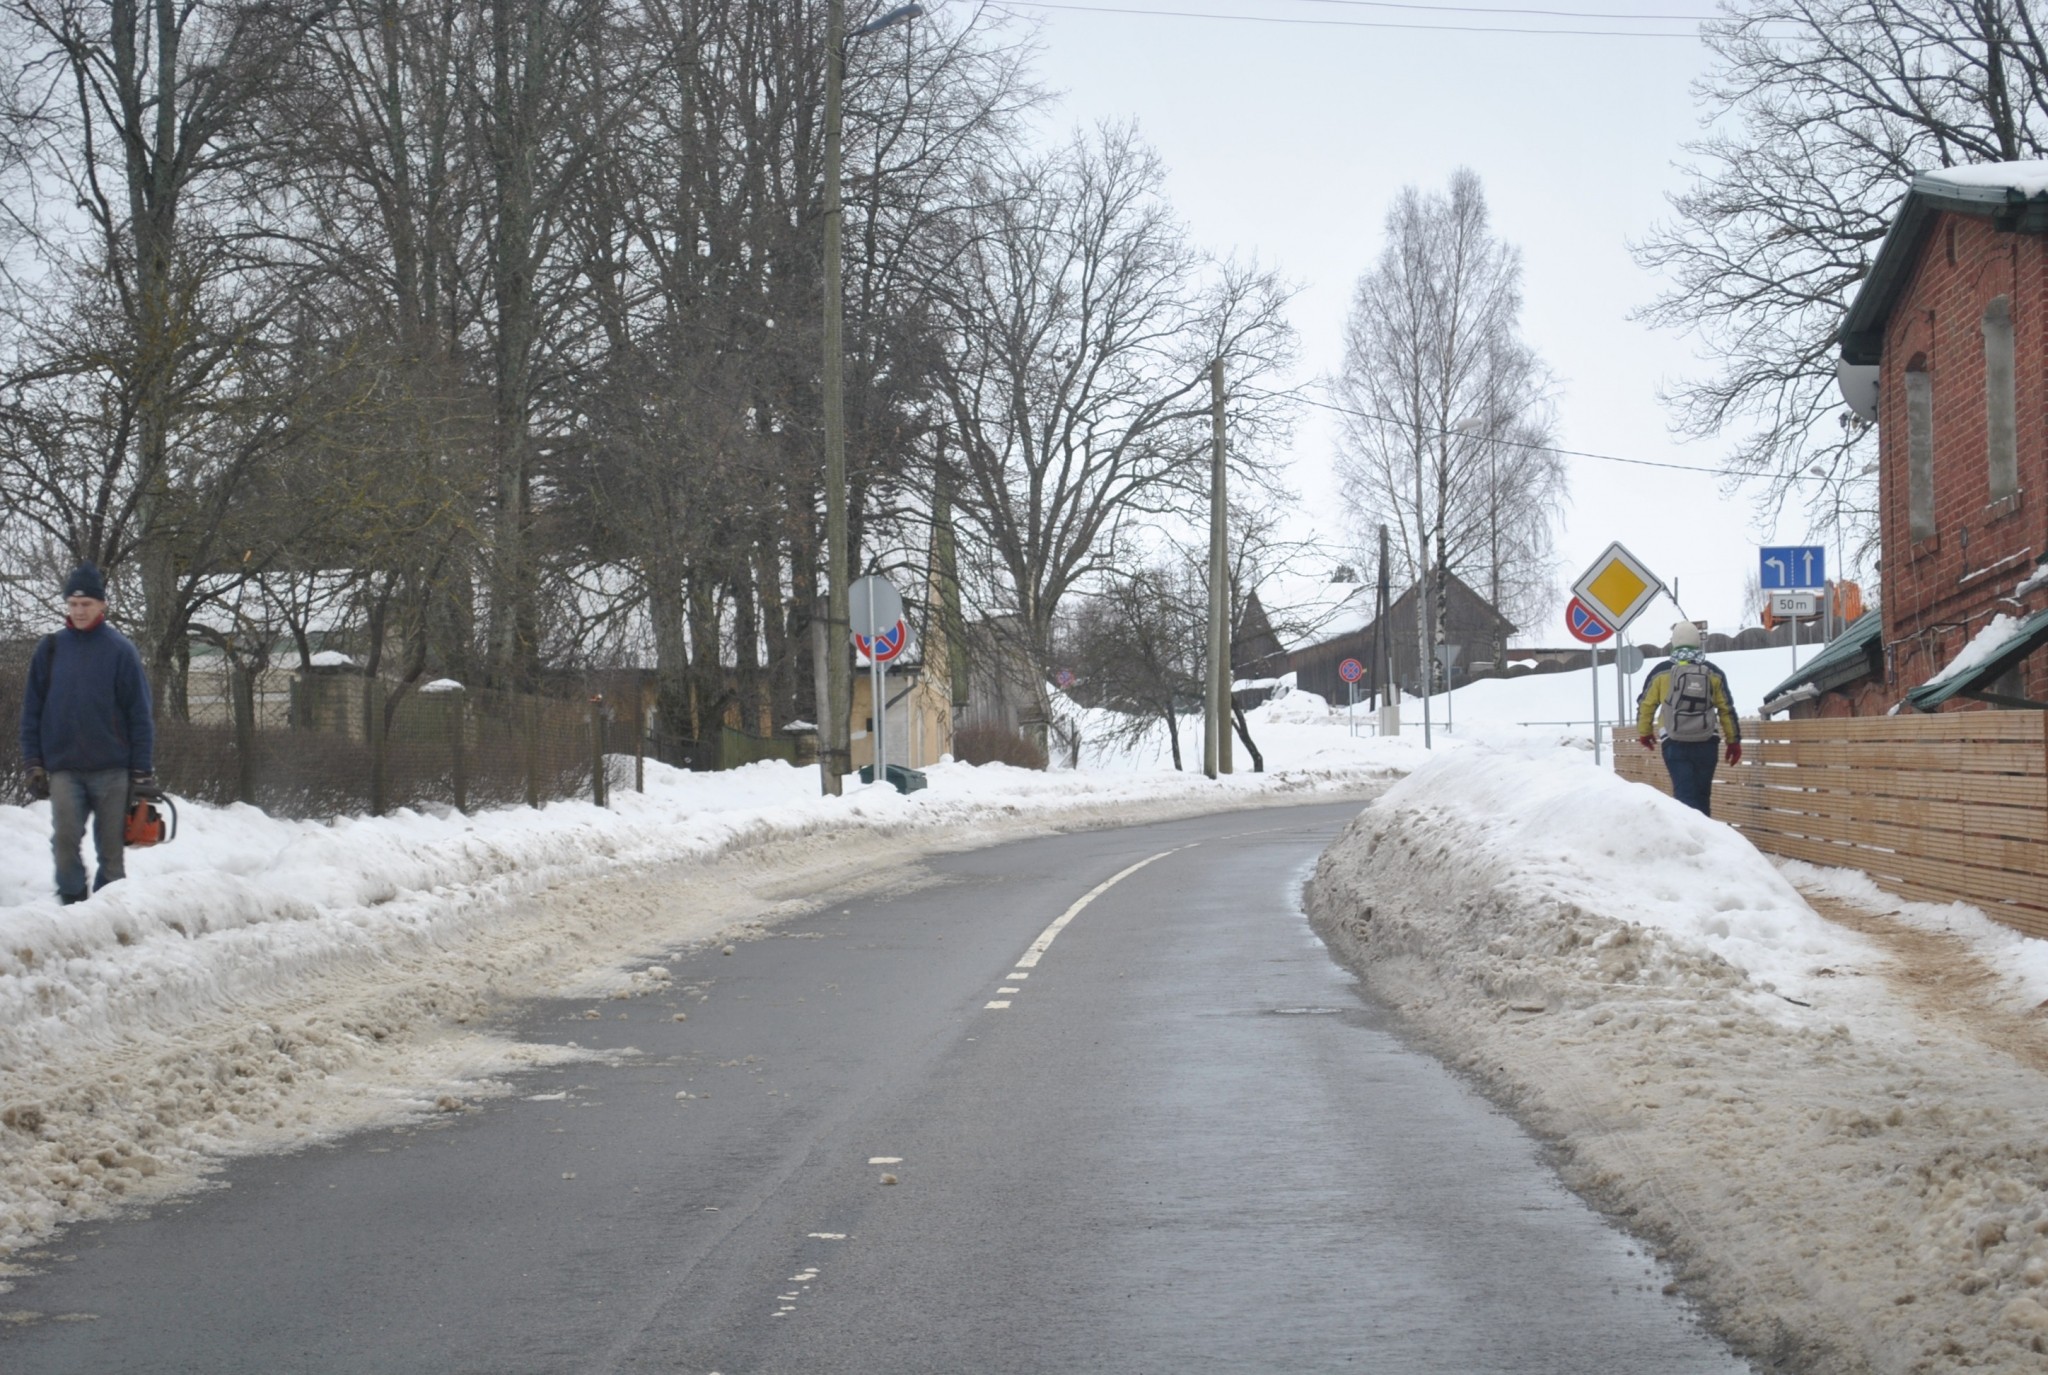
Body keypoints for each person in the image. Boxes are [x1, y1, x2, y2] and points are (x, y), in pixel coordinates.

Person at [18, 563, 157, 904]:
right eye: (73, 604)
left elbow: (140, 714)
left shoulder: (120, 650)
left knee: (111, 854)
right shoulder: (49, 650)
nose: (79, 610)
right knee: (64, 842)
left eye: (86, 604)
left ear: (102, 606)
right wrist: (33, 762)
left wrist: (142, 772)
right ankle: (73, 902)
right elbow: (32, 710)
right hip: (65, 769)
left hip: (113, 771)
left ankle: (108, 913)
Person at [1635, 620, 1739, 817]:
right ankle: (1708, 839)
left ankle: (1691, 839)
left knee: (1684, 796)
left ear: (1674, 642)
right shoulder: (1713, 672)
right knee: (1702, 795)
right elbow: (1726, 709)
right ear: (1697, 643)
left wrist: (1645, 732)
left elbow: (1646, 705)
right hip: (1707, 741)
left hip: (1674, 742)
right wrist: (1734, 741)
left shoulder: (1661, 672)